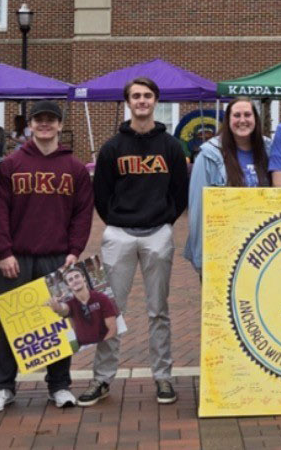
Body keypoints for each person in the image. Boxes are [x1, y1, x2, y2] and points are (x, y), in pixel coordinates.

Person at [83, 77, 188, 407]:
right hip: (119, 233)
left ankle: (163, 377)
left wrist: (165, 219)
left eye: (147, 96)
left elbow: (180, 192)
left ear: (156, 100)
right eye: (135, 96)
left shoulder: (171, 146)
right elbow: (100, 193)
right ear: (128, 102)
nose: (141, 101)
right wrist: (116, 219)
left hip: (158, 232)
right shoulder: (113, 147)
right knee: (110, 309)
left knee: (159, 310)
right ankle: (102, 379)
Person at [0, 100, 92, 413]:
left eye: (51, 120)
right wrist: (4, 251)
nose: (45, 125)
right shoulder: (11, 164)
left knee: (58, 321)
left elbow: (83, 214)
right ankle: (3, 387)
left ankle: (59, 386)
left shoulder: (75, 168)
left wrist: (74, 251)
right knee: (11, 323)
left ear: (59, 125)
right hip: (16, 258)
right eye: (39, 120)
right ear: (30, 125)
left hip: (57, 257)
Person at [183, 97, 271, 273]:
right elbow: (198, 209)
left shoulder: (269, 150)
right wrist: (202, 258)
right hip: (223, 248)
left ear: (255, 119)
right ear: (228, 121)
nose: (242, 120)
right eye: (236, 115)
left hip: (262, 249)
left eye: (247, 114)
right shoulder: (209, 155)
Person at [51, 264, 119, 348]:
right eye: (70, 280)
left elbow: (113, 329)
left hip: (104, 342)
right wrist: (57, 307)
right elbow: (63, 309)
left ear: (83, 278)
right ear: (68, 285)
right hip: (84, 347)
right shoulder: (71, 303)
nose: (75, 280)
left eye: (77, 276)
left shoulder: (101, 298)